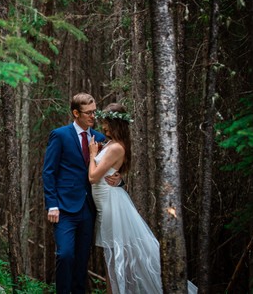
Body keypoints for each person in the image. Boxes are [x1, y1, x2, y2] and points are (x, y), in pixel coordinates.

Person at [88, 103, 197, 294]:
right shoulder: (110, 143)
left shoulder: (116, 148)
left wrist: (92, 155)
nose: (103, 127)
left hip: (112, 205)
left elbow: (93, 177)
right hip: (105, 202)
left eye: (106, 124)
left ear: (116, 125)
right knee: (111, 256)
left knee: (116, 257)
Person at [43, 93, 121, 294]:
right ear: (76, 113)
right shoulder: (59, 135)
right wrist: (52, 204)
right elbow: (49, 171)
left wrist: (120, 180)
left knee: (81, 260)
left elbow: (113, 166)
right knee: (65, 255)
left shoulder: (101, 138)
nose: (93, 116)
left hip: (90, 208)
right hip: (64, 208)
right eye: (88, 113)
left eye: (95, 112)